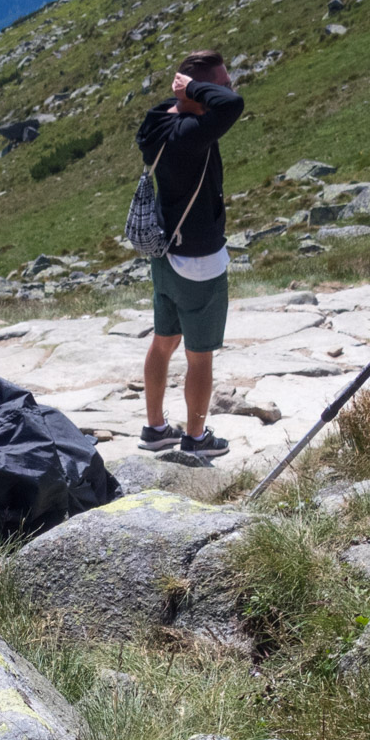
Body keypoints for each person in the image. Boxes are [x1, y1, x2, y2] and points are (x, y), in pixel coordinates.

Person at [135, 50, 243, 460]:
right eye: (219, 84)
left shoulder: (161, 123)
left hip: (164, 256)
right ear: (198, 91)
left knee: (163, 342)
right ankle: (196, 438)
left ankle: (155, 427)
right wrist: (197, 89)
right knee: (200, 357)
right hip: (199, 262)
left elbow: (186, 106)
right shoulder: (192, 135)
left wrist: (186, 93)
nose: (227, 90)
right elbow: (233, 106)